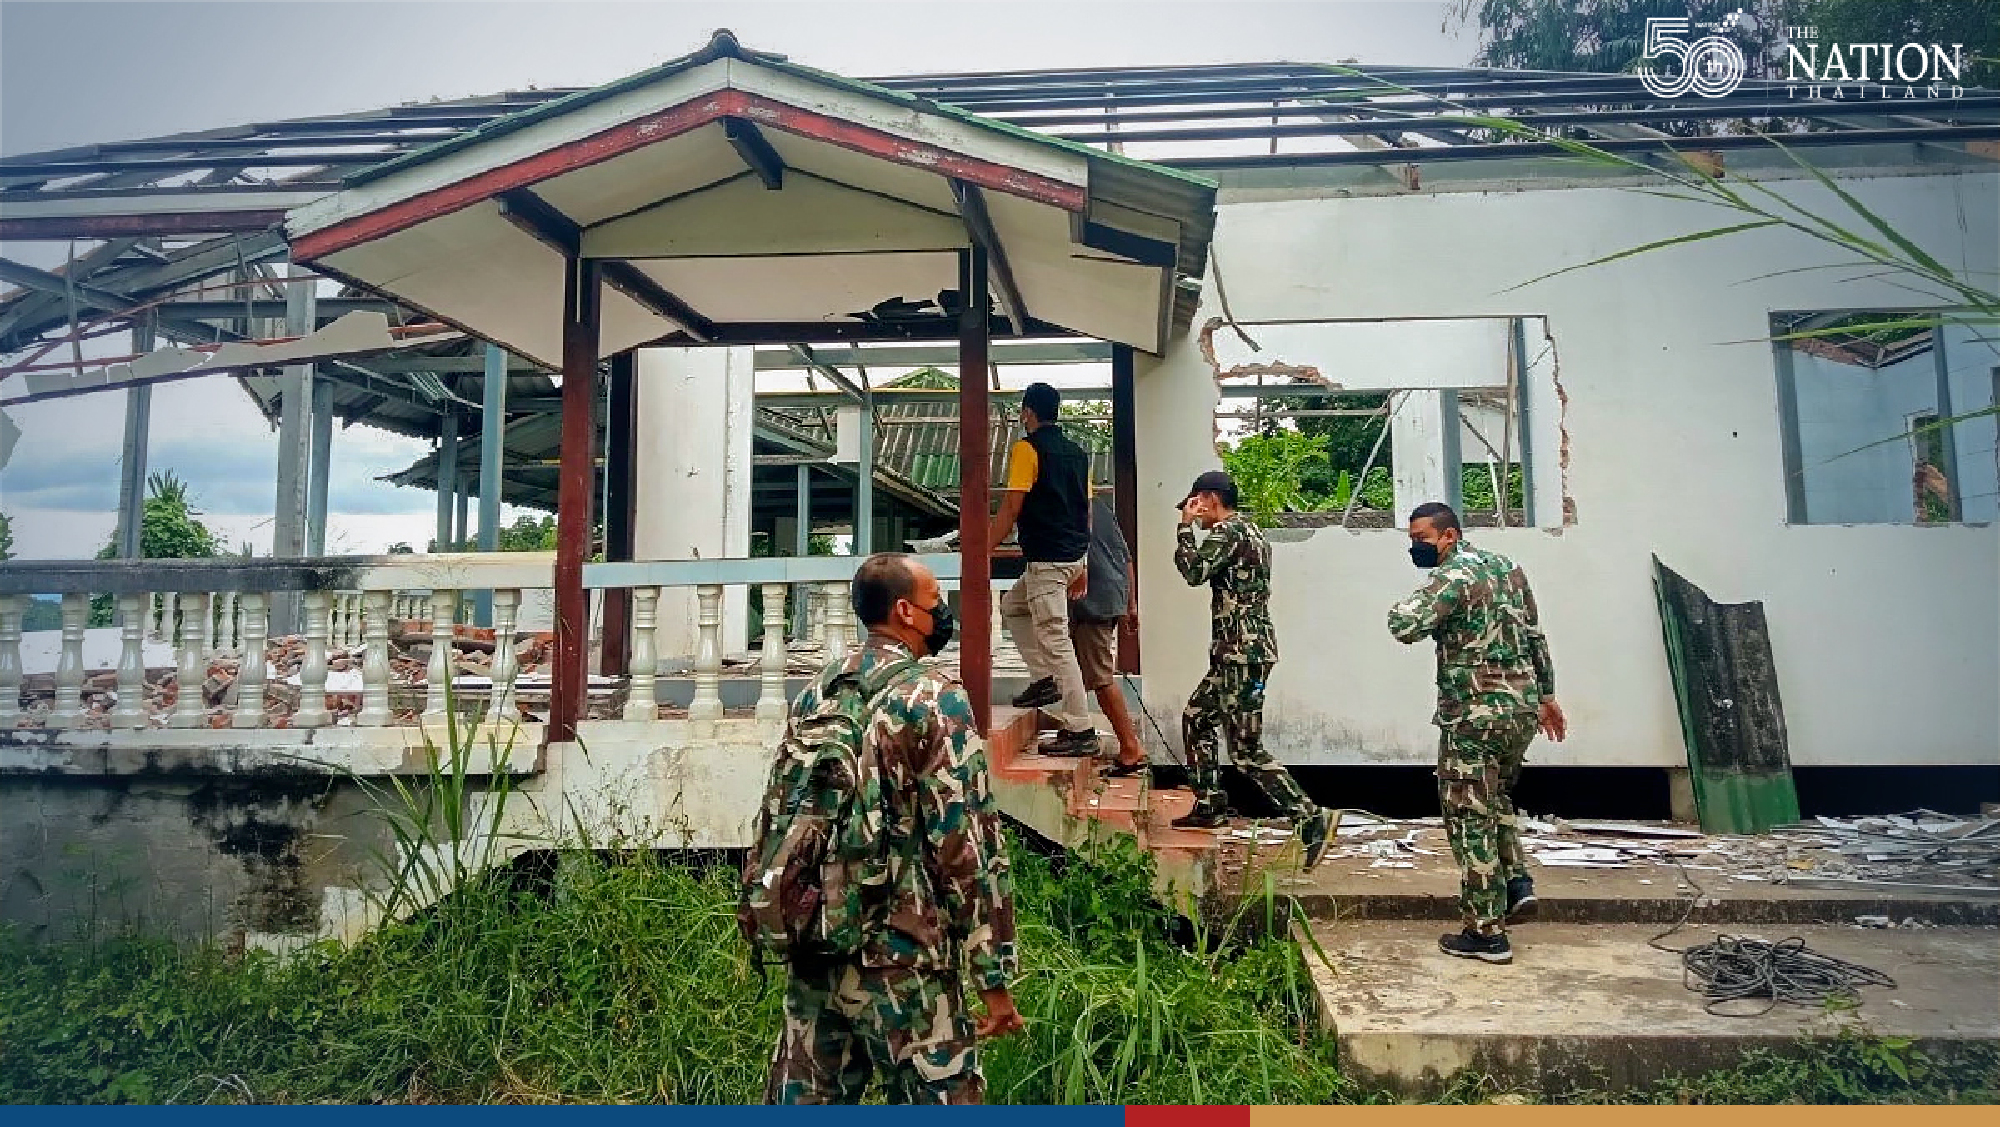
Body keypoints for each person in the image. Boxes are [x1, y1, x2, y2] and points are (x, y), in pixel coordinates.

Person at [762, 553, 1024, 1103]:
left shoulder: (820, 690)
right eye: (936, 603)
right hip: (904, 960)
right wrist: (993, 976)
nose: (943, 613)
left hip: (817, 942)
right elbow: (966, 844)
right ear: (906, 611)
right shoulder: (932, 697)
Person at [1387, 502, 1567, 966]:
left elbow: (1405, 624)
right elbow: (1536, 636)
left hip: (1474, 714)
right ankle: (1516, 884)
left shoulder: (1454, 576)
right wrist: (1547, 696)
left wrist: (1401, 606)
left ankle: (1486, 933)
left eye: (1421, 538)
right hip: (1521, 709)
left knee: (1468, 816)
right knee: (1496, 798)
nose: (1415, 547)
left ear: (1448, 536)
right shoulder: (1508, 568)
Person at [1169, 470, 1333, 870]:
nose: (1195, 512)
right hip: (1240, 651)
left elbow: (1194, 572)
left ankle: (1310, 815)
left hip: (1242, 654)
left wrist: (1184, 530)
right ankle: (1209, 802)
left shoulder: (1229, 532)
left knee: (1246, 752)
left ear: (1209, 498)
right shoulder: (1250, 531)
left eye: (1196, 503)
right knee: (1196, 718)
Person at [991, 381, 1097, 757]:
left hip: (1048, 561)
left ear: (1028, 413)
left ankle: (1080, 729)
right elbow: (1085, 512)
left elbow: (1012, 507)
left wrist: (982, 548)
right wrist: (1083, 562)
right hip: (1070, 558)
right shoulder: (1077, 453)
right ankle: (1045, 680)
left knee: (1056, 641)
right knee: (1013, 606)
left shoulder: (1027, 448)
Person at [1069, 490, 1146, 776]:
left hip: (1092, 600)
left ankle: (1130, 747)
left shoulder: (1073, 506)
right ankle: (1077, 728)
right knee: (1078, 668)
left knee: (1100, 676)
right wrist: (1131, 603)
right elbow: (1125, 557)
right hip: (1112, 594)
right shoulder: (1100, 506)